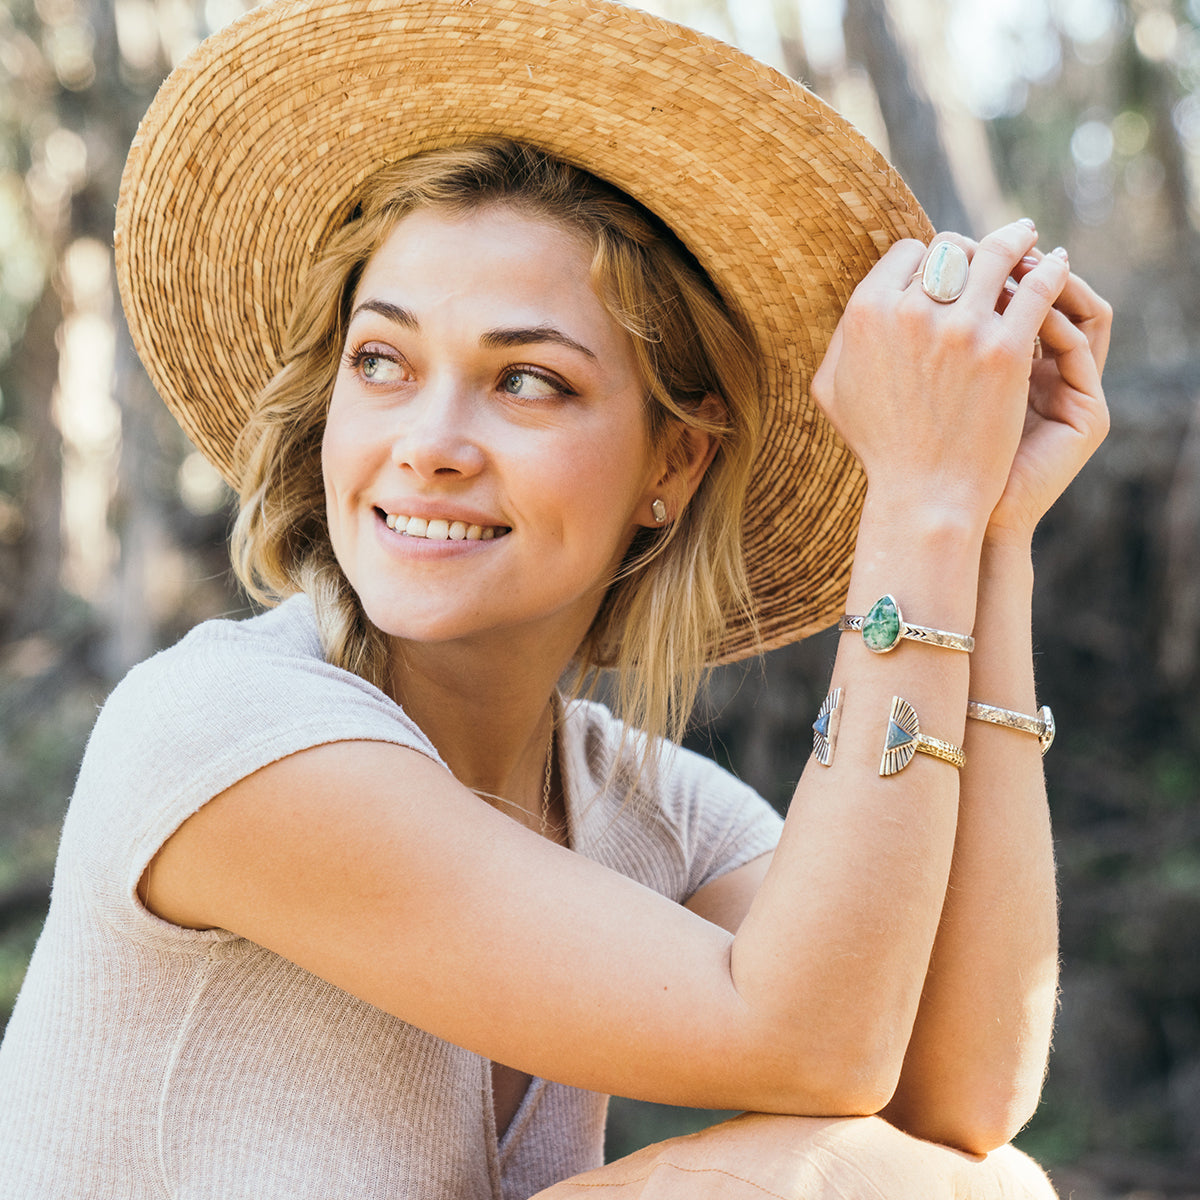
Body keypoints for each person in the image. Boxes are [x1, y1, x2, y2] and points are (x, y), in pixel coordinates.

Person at [0, 0, 1111, 1196]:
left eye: (525, 380)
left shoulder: (648, 814)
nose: (428, 443)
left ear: (672, 465)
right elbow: (805, 1042)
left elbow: (959, 1097)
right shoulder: (225, 731)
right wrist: (913, 511)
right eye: (382, 361)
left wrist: (988, 530)